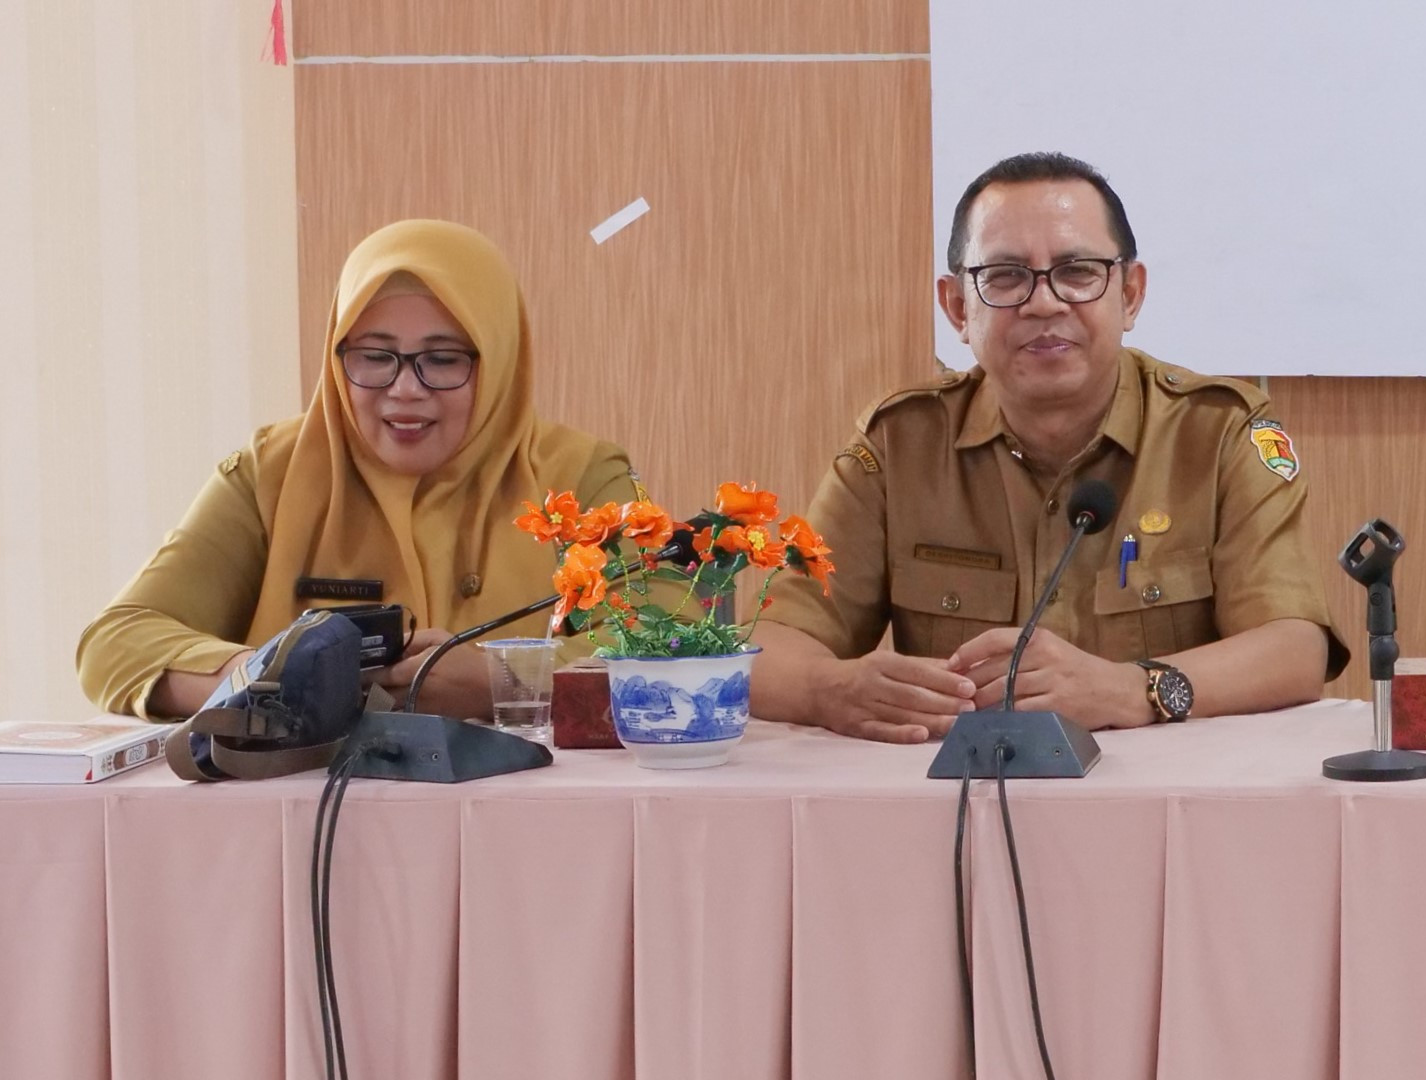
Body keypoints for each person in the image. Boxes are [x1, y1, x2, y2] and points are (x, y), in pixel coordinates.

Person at [752, 153, 1339, 741]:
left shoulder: (1216, 433)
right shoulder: (899, 445)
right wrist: (828, 689)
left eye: (1077, 271)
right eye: (1005, 276)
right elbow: (770, 646)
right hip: (963, 808)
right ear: (958, 307)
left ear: (1130, 295)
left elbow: (1294, 648)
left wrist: (1130, 689)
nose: (1044, 303)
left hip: (1168, 808)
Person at [79, 220, 636, 719]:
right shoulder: (272, 472)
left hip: (526, 814)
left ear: (500, 362)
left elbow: (673, 651)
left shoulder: (582, 477)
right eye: (374, 356)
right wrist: (262, 680)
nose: (405, 389)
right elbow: (116, 640)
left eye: (442, 359)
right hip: (302, 819)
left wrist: (504, 682)